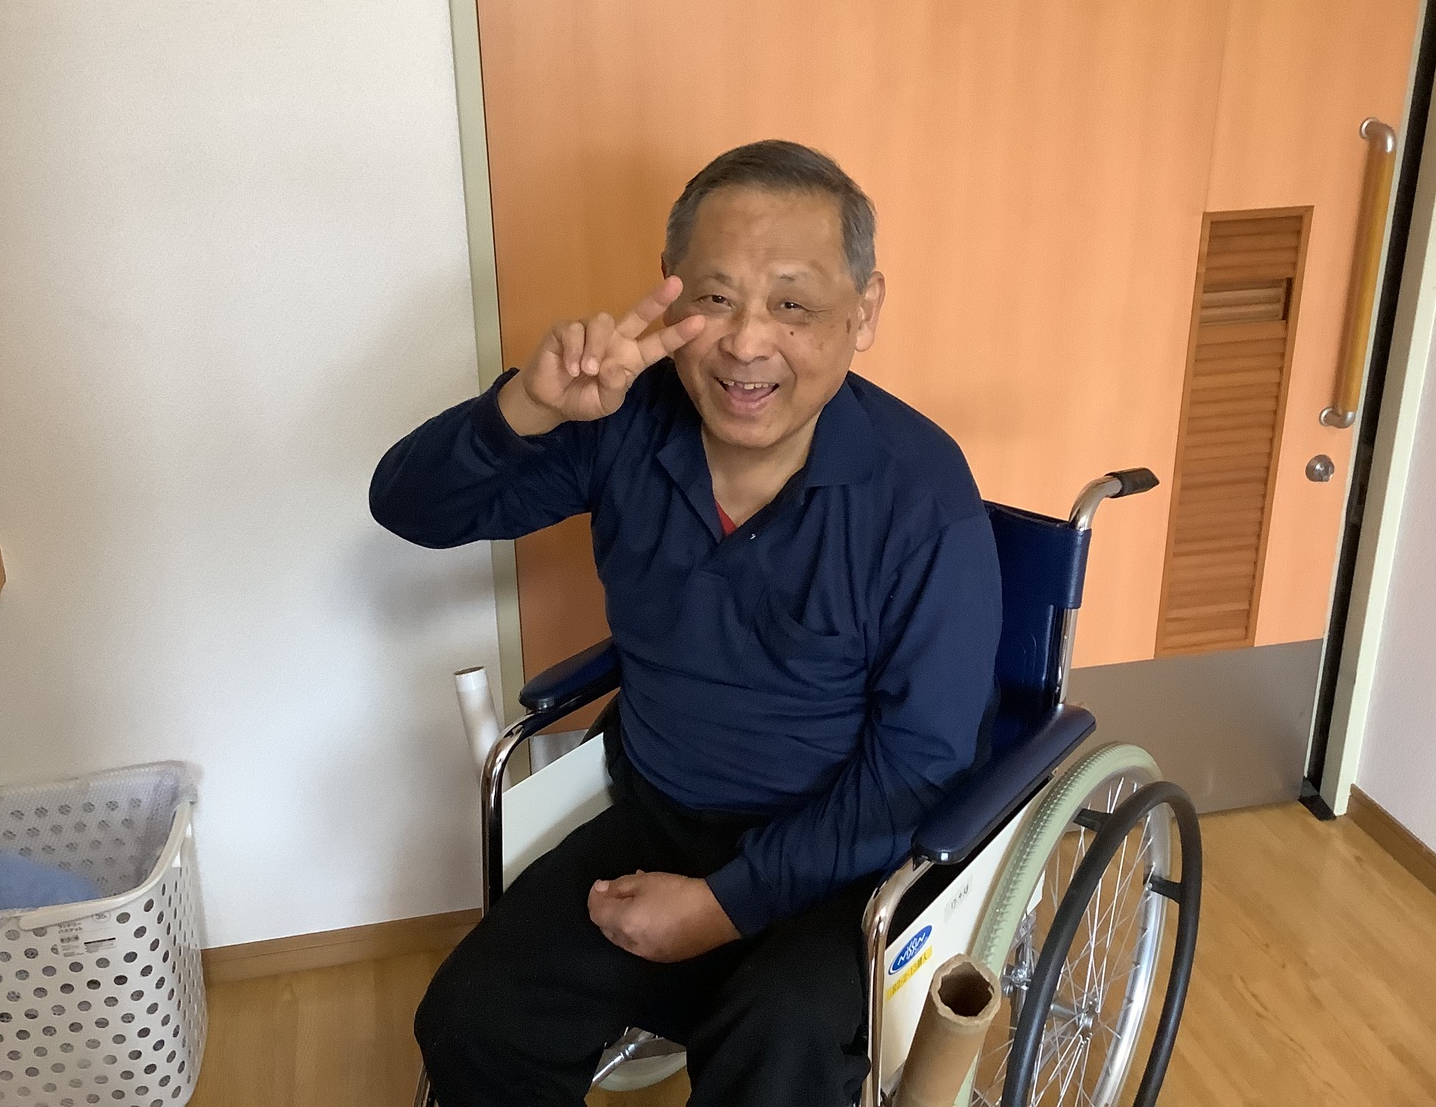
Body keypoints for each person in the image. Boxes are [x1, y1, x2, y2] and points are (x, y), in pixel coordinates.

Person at [370, 140, 1001, 1107]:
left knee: (773, 1050)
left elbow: (918, 763)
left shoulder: (922, 498)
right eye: (714, 298)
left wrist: (720, 907)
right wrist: (528, 406)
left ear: (864, 310)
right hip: (661, 817)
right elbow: (409, 507)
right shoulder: (628, 422)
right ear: (670, 293)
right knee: (472, 1018)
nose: (746, 344)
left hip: (844, 865)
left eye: (792, 305)